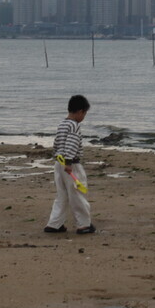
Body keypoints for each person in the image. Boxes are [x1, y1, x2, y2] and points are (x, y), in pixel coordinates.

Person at [44, 95, 95, 235]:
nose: (84, 116)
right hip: (71, 165)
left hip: (58, 164)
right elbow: (71, 145)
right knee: (78, 194)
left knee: (62, 195)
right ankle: (84, 225)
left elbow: (57, 143)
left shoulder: (62, 124)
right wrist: (68, 163)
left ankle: (54, 224)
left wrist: (60, 161)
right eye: (84, 113)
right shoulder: (74, 125)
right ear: (80, 111)